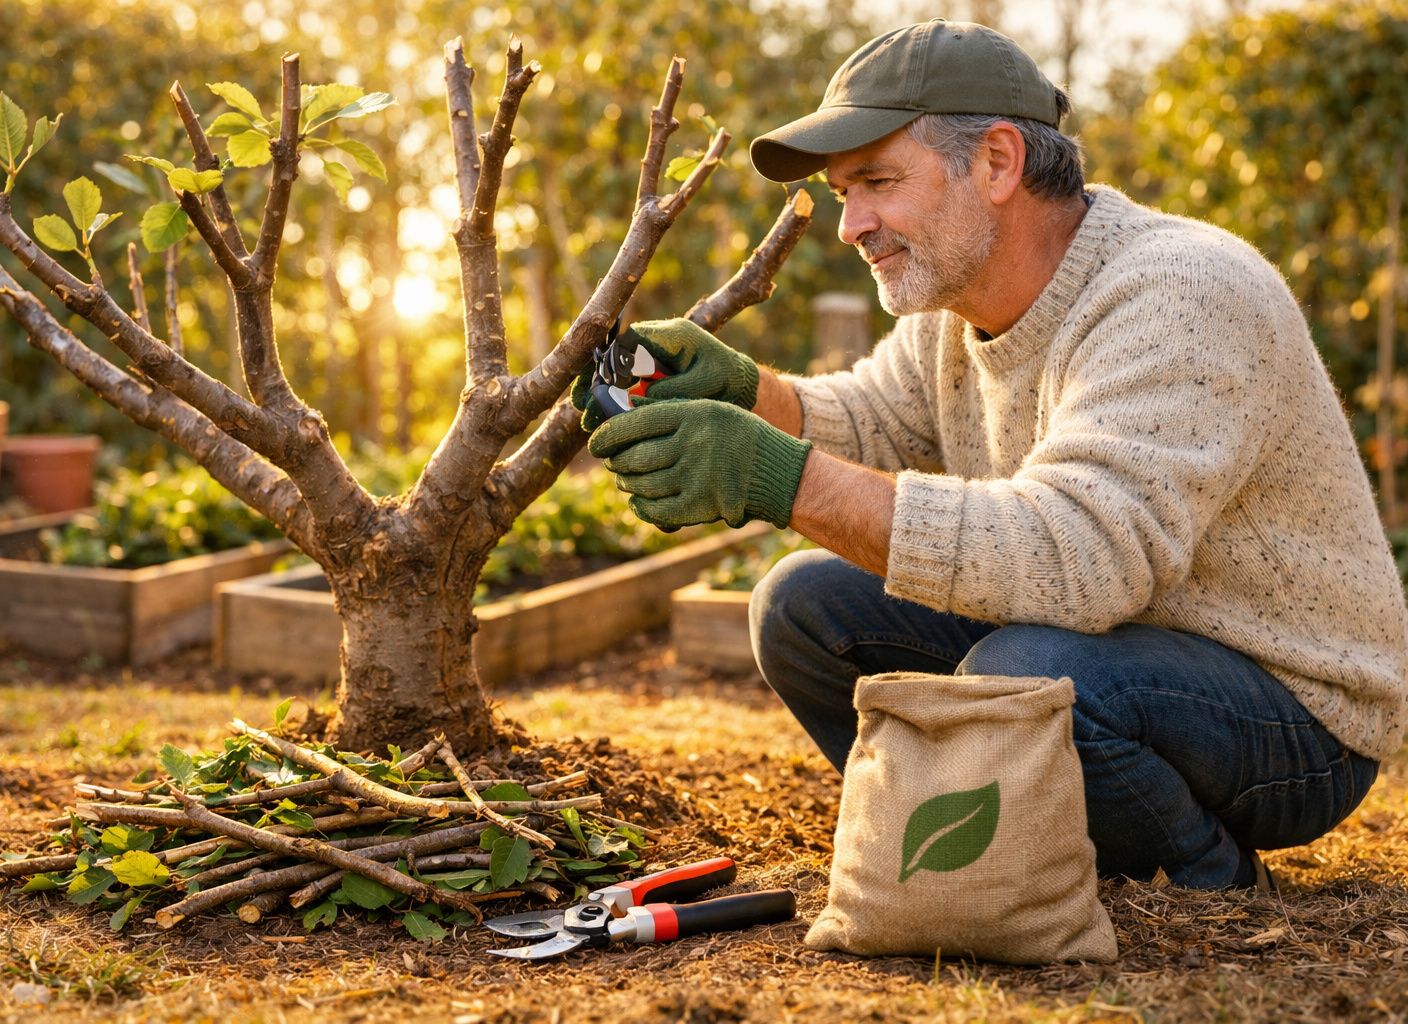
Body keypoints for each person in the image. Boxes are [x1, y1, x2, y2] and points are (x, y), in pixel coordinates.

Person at [577, 19, 1408, 890]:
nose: (851, 225)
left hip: (1292, 706)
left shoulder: (1181, 291)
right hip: (1116, 644)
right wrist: (749, 394)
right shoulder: (957, 300)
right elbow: (873, 419)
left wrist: (775, 476)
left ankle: (1204, 880)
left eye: (878, 182)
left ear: (998, 163)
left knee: (1025, 680)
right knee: (802, 606)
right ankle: (974, 856)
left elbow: (1083, 557)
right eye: (843, 193)